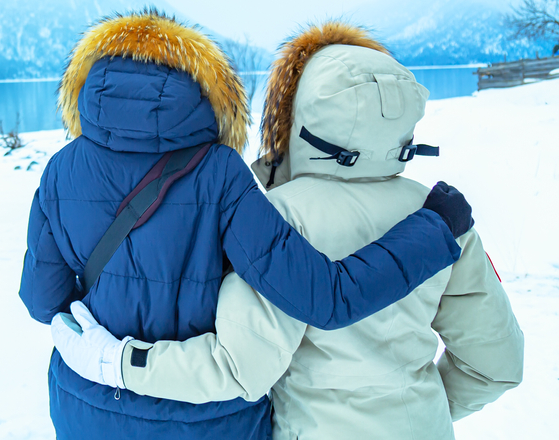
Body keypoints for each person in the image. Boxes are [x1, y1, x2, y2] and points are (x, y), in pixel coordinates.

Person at [51, 22, 524, 440]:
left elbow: (234, 368)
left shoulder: (277, 214)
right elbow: (497, 366)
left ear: (295, 117)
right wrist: (417, 413)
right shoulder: (442, 216)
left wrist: (117, 361)